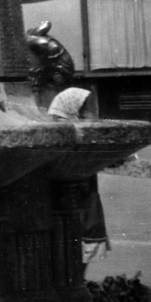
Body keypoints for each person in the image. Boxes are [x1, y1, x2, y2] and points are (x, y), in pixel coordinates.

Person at [49, 87, 110, 262]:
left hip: (80, 193)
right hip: (74, 194)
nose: (87, 111)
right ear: (72, 106)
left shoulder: (65, 126)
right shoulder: (66, 129)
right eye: (84, 107)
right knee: (75, 242)